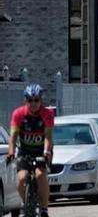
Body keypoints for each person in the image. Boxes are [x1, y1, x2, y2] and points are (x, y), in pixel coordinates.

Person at [5, 84, 54, 217]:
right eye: (30, 100)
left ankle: (44, 209)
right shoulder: (18, 114)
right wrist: (11, 152)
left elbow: (48, 137)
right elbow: (13, 137)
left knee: (40, 175)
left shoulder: (47, 114)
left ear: (41, 100)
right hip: (25, 151)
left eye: (36, 100)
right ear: (25, 101)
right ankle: (25, 202)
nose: (33, 103)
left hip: (41, 150)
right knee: (21, 178)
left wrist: (46, 153)